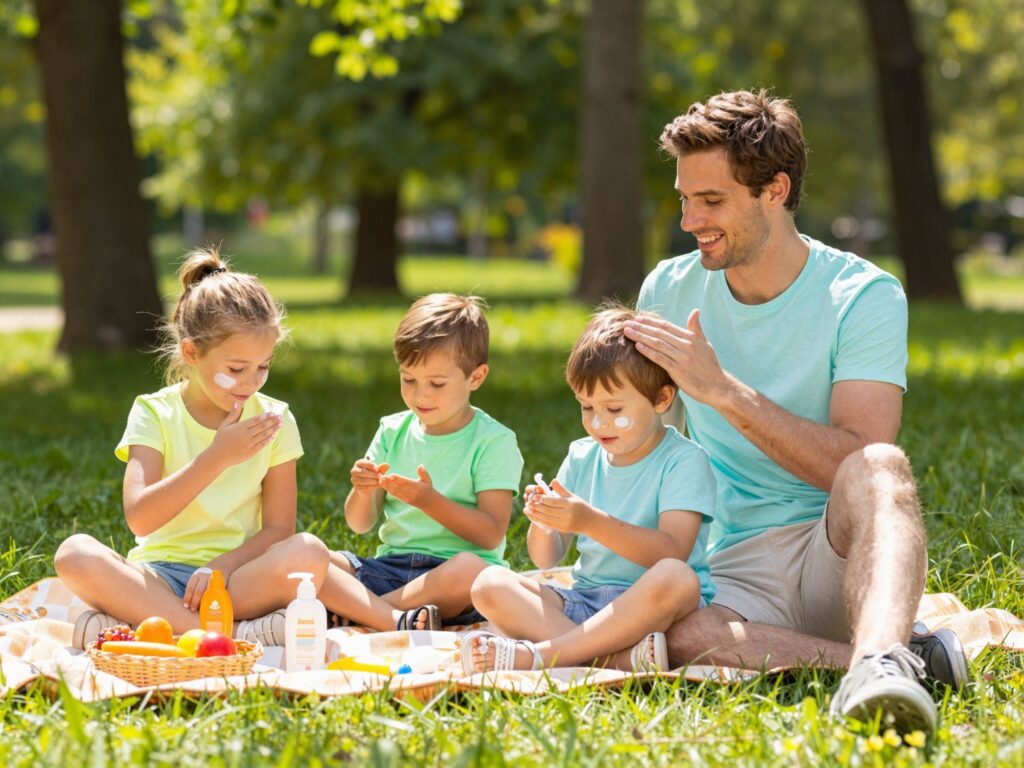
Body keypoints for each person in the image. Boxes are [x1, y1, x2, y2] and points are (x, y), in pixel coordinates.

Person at [622, 89, 967, 733]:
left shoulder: (863, 296)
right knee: (677, 632)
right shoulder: (667, 289)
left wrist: (723, 391)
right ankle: (886, 663)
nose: (690, 219)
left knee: (883, 466)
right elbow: (649, 450)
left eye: (712, 200)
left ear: (774, 190)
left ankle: (878, 655)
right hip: (731, 569)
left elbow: (857, 461)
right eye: (684, 198)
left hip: (831, 559)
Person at [55, 247, 328, 648]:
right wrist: (216, 457)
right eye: (236, 369)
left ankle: (155, 626)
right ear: (191, 352)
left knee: (311, 552)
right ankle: (230, 634)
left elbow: (278, 529)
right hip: (159, 577)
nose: (251, 383)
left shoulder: (275, 419)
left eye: (264, 367)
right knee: (74, 554)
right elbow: (140, 519)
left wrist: (222, 566)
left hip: (237, 579)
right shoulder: (154, 412)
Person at [462, 307, 716, 674]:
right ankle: (613, 659)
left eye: (614, 408)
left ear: (662, 399)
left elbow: (673, 551)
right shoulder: (582, 456)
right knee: (488, 584)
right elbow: (546, 559)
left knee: (679, 578)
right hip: (585, 601)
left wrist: (588, 520)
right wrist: (545, 521)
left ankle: (542, 655)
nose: (599, 423)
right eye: (587, 407)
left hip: (653, 609)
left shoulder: (684, 461)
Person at [317, 294, 524, 631]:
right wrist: (362, 490)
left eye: (437, 384)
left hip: (454, 581)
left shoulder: (494, 441)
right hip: (391, 572)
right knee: (311, 557)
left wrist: (429, 502)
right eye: (408, 379)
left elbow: (489, 534)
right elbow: (359, 523)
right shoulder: (392, 430)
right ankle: (392, 615)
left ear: (476, 377)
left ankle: (366, 614)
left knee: (472, 572)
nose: (420, 395)